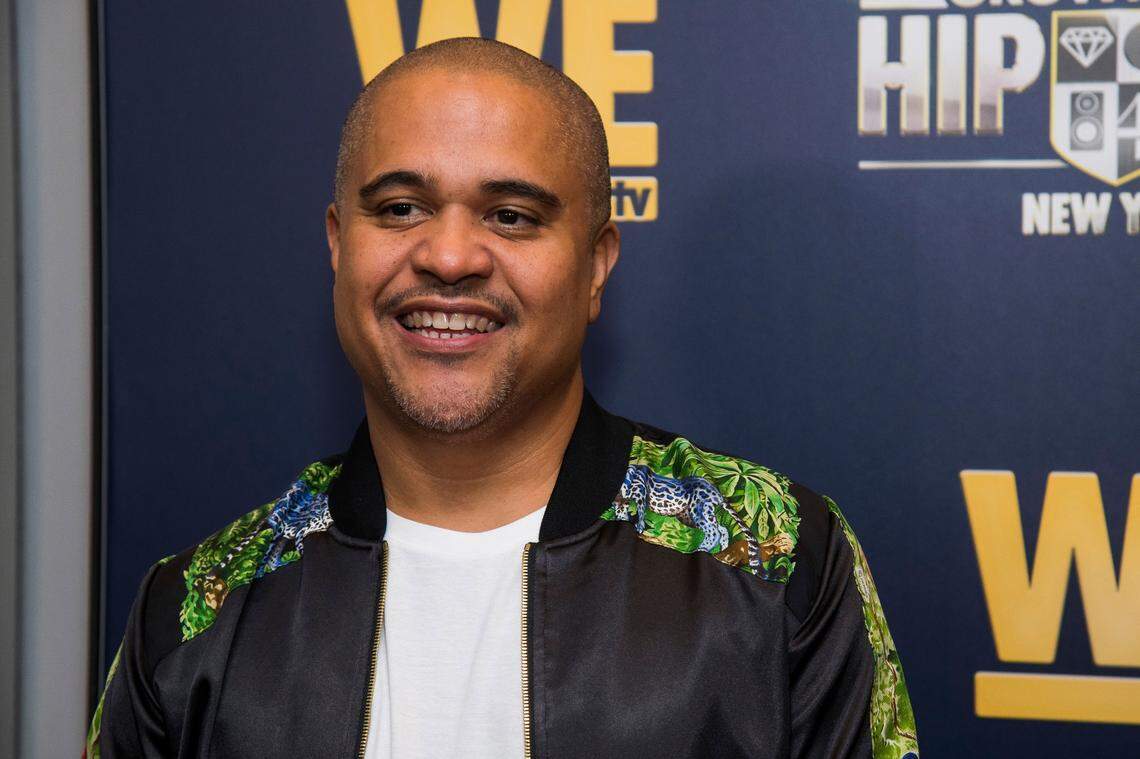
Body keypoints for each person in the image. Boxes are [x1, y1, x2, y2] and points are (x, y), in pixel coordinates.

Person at [86, 37, 919, 759]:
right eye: (401, 208)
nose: (450, 257)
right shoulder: (194, 611)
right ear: (339, 245)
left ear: (596, 265)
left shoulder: (779, 563)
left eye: (512, 216)